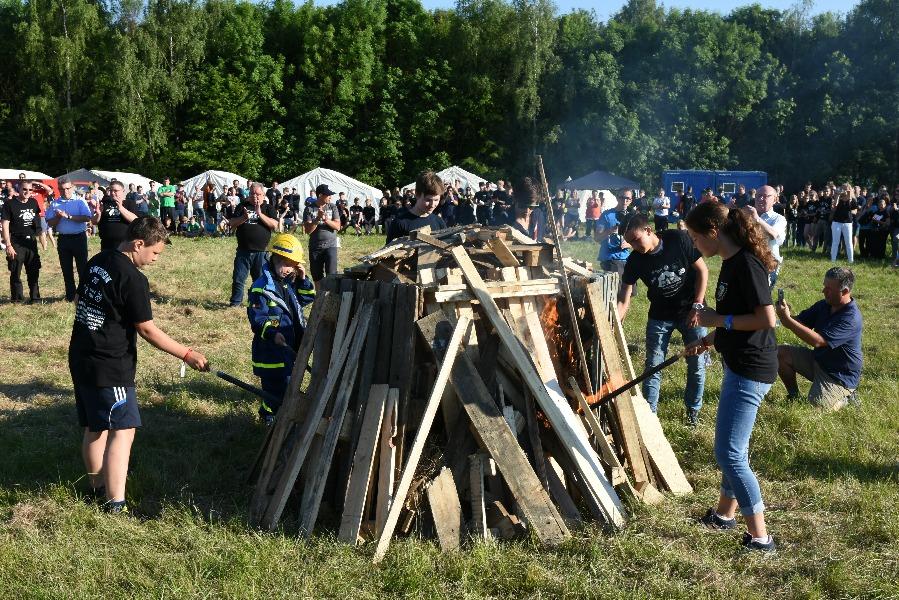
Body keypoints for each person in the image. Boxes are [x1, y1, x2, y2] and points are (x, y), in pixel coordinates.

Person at [69, 217, 209, 513]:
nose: (156, 259)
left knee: (95, 426)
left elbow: (80, 298)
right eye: (155, 253)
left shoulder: (98, 259)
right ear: (138, 244)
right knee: (123, 429)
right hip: (110, 364)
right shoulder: (132, 278)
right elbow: (147, 329)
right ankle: (114, 502)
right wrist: (187, 353)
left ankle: (96, 489)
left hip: (82, 354)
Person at [683, 201, 779, 553]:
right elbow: (736, 317)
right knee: (732, 448)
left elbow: (767, 319)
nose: (694, 244)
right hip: (739, 362)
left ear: (713, 231)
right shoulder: (729, 262)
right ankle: (725, 515)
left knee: (730, 453)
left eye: (695, 237)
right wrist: (710, 339)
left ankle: (761, 538)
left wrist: (716, 322)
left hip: (752, 369)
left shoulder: (747, 265)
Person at [617, 214, 709, 425]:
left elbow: (703, 271)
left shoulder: (678, 239)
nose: (633, 245)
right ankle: (651, 418)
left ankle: (693, 412)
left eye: (636, 239)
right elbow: (625, 295)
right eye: (629, 242)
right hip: (660, 316)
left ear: (649, 230)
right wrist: (617, 321)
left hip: (691, 311)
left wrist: (698, 305)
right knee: (653, 366)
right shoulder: (635, 260)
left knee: (696, 364)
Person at [247, 233, 316, 423]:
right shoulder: (261, 288)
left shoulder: (289, 284)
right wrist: (272, 333)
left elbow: (306, 298)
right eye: (285, 264)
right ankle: (268, 417)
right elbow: (257, 319)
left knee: (287, 387)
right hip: (270, 353)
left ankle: (279, 415)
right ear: (274, 258)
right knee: (274, 390)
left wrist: (303, 279)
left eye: (293, 265)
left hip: (288, 349)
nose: (288, 269)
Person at [775, 267, 862, 411]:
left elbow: (818, 341)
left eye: (829, 289)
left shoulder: (851, 318)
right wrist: (786, 316)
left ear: (845, 292)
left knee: (815, 409)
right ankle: (794, 396)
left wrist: (788, 321)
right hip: (818, 361)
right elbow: (800, 322)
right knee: (780, 353)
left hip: (839, 376)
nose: (823, 291)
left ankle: (846, 397)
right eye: (824, 286)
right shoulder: (825, 305)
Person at [228, 182, 278, 307]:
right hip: (243, 251)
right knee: (238, 279)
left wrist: (259, 213)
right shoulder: (242, 206)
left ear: (263, 194)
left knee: (260, 280)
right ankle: (235, 303)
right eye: (252, 193)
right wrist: (244, 217)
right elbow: (232, 223)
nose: (254, 196)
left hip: (262, 252)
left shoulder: (268, 208)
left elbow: (274, 225)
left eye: (257, 194)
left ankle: (259, 303)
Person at [45, 177, 92, 302]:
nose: (65, 191)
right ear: (58, 189)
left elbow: (87, 218)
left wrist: (69, 216)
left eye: (67, 188)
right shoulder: (55, 203)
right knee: (66, 268)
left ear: (72, 188)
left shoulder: (80, 201)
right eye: (61, 189)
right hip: (64, 239)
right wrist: (59, 217)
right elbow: (49, 222)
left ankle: (83, 295)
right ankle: (70, 295)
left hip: (79, 237)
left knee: (82, 268)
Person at [2, 185, 43, 303]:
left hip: (30, 242)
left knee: (34, 270)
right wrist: (8, 245)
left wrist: (40, 234)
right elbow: (5, 224)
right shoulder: (9, 204)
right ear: (19, 189)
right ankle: (17, 299)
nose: (27, 192)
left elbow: (37, 218)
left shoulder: (33, 202)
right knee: (15, 271)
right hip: (16, 242)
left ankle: (35, 298)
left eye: (30, 190)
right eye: (25, 189)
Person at [386, 171, 447, 244]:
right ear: (417, 195)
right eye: (428, 200)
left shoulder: (439, 222)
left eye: (436, 200)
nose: (432, 204)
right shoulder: (400, 223)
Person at [744, 185, 786, 289]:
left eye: (765, 196)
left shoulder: (779, 219)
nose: (760, 199)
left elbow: (773, 235)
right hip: (747, 262)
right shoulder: (746, 215)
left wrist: (757, 218)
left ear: (775, 199)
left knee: (762, 297)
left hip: (768, 264)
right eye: (758, 196)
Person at [302, 184, 342, 288]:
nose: (330, 197)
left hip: (331, 246)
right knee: (317, 276)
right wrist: (317, 219)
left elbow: (338, 226)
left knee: (332, 275)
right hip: (315, 247)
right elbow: (308, 231)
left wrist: (325, 219)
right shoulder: (309, 209)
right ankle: (319, 299)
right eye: (328, 195)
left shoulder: (332, 207)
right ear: (320, 195)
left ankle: (330, 298)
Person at [93, 180, 139, 252]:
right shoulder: (105, 203)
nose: (112, 193)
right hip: (106, 244)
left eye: (115, 191)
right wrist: (98, 214)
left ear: (123, 191)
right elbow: (94, 222)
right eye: (111, 190)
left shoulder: (129, 203)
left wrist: (121, 208)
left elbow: (135, 220)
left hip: (124, 244)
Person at [830, 188, 857, 263]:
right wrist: (838, 195)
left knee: (848, 242)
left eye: (846, 189)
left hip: (847, 223)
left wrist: (849, 197)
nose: (844, 190)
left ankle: (851, 261)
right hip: (836, 222)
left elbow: (853, 208)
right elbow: (834, 206)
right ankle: (833, 260)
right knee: (835, 242)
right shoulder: (837, 198)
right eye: (843, 188)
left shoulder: (852, 199)